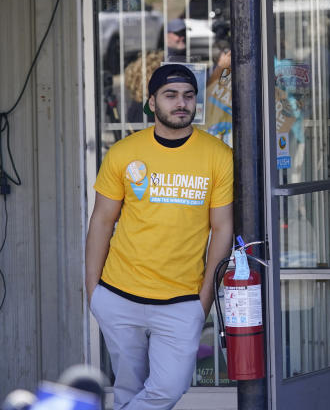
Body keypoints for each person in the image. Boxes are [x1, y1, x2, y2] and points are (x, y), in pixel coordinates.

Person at [85, 64, 234, 409]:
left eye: (188, 95)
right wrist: (94, 290)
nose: (181, 103)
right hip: (119, 294)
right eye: (170, 95)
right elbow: (102, 221)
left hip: (182, 300)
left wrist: (205, 298)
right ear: (152, 102)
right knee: (128, 390)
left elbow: (222, 227)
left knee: (169, 387)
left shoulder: (218, 156)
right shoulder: (124, 153)